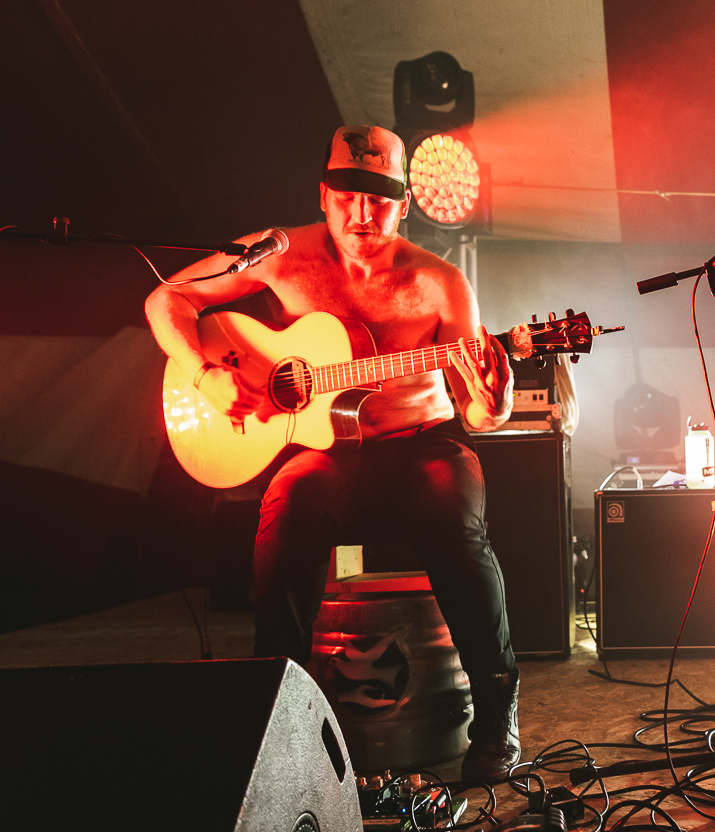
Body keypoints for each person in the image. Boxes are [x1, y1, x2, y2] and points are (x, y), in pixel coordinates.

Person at [145, 125, 521, 783]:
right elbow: (165, 299)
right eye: (348, 194)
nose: (363, 213)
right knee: (285, 504)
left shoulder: (439, 285)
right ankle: (278, 714)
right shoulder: (277, 253)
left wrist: (497, 397)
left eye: (381, 199)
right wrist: (207, 372)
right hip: (327, 445)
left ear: (405, 206)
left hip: (421, 442)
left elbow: (479, 414)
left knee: (453, 516)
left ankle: (495, 711)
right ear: (323, 194)